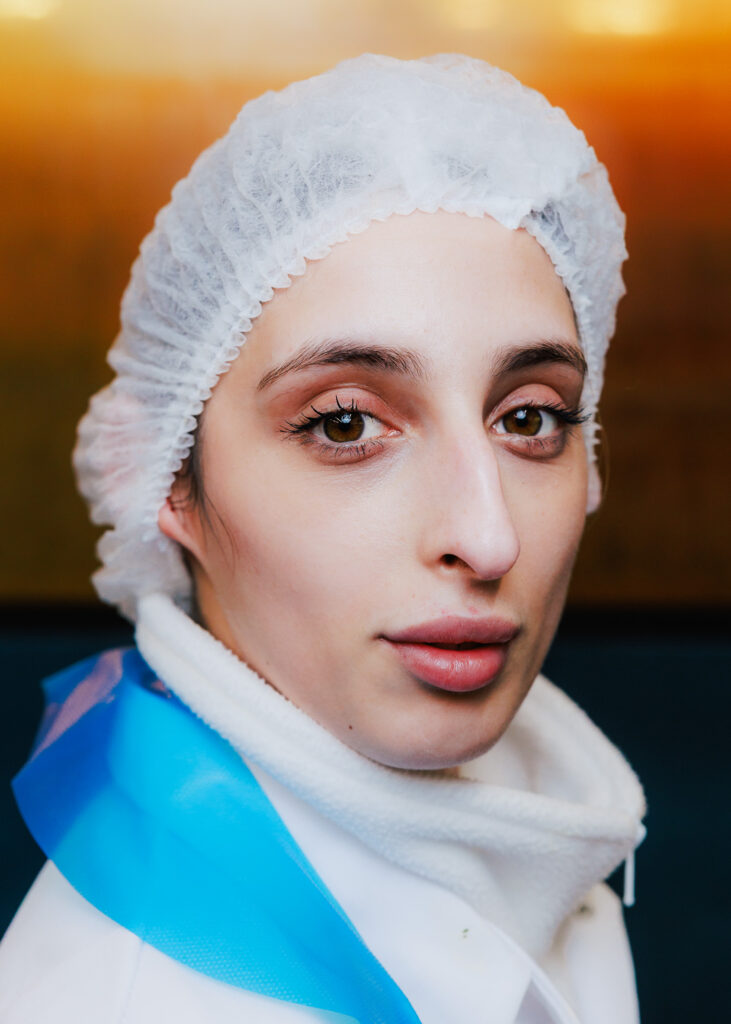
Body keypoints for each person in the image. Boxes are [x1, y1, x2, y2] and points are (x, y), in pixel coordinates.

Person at [0, 53, 647, 1023]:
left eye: (528, 418)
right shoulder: (122, 999)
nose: (487, 537)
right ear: (168, 481)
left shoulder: (540, 830)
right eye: (344, 424)